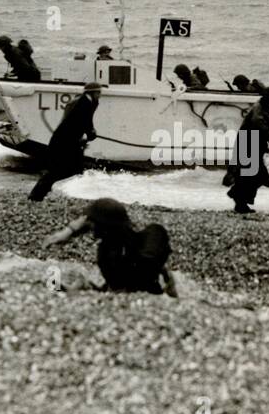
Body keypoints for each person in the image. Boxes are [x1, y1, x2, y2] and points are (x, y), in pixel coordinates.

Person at [43, 197, 177, 297]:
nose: (90, 226)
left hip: (125, 295)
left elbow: (118, 290)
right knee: (57, 281)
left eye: (93, 222)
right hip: (135, 290)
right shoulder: (129, 240)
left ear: (103, 226)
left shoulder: (111, 250)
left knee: (53, 282)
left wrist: (70, 230)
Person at [28, 82, 102, 201]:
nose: (100, 95)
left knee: (71, 168)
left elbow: (85, 121)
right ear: (92, 92)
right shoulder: (85, 103)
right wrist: (90, 133)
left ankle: (41, 193)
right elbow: (84, 120)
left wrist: (88, 133)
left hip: (67, 141)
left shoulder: (84, 101)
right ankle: (37, 195)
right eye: (98, 92)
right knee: (63, 169)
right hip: (65, 143)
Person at [223, 86, 269, 213]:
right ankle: (237, 197)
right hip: (249, 144)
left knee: (252, 176)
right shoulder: (259, 110)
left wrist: (264, 146)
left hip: (251, 143)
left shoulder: (261, 108)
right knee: (257, 176)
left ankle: (239, 201)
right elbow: (259, 126)